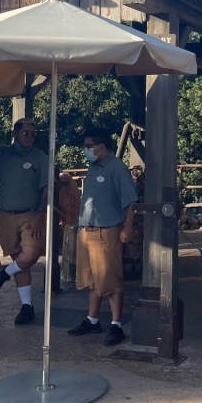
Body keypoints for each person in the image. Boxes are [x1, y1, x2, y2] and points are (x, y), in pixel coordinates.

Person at [66, 128, 138, 346]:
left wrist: (127, 227)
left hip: (107, 231)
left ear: (101, 146)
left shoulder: (117, 168)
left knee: (111, 279)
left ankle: (116, 324)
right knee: (91, 279)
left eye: (89, 146)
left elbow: (131, 201)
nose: (86, 150)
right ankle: (93, 319)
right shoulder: (93, 167)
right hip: (87, 231)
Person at [0, 118, 50, 325]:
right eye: (25, 133)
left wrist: (39, 215)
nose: (30, 137)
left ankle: (3, 274)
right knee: (20, 262)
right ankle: (27, 306)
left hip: (30, 214)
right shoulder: (2, 155)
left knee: (31, 254)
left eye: (33, 134)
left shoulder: (40, 157)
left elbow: (47, 190)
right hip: (6, 214)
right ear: (14, 134)